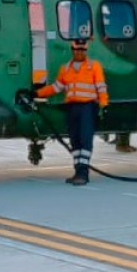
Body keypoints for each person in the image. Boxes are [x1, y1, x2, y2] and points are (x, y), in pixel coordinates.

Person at [34, 38, 108, 185]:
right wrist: (37, 93)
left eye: (82, 50)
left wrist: (103, 105)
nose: (80, 52)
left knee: (85, 139)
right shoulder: (66, 68)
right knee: (75, 140)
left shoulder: (94, 66)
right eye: (77, 49)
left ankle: (83, 174)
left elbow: (101, 87)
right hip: (73, 108)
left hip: (88, 107)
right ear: (72, 50)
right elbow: (56, 87)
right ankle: (77, 171)